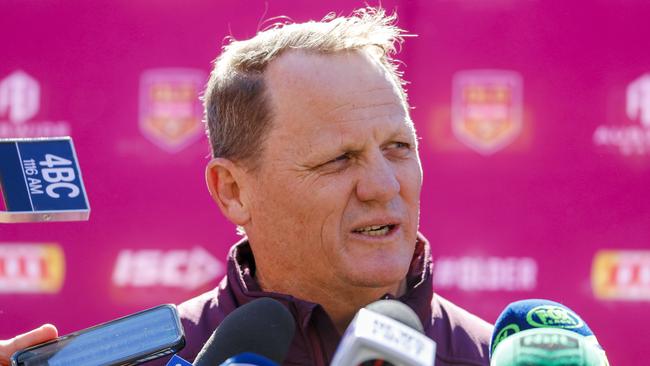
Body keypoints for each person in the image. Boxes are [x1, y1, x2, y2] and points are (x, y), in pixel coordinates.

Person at [0, 8, 492, 366]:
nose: (384, 185)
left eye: (399, 148)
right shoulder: (125, 361)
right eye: (339, 158)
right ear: (232, 190)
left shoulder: (498, 355)